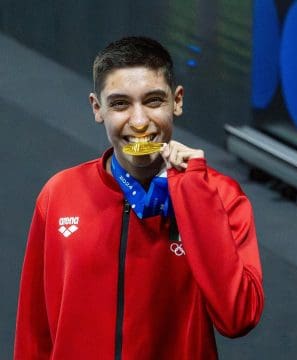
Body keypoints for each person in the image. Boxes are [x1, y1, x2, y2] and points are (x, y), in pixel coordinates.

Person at [14, 36, 264, 359]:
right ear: (97, 108)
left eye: (153, 101)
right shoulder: (58, 195)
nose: (140, 122)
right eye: (120, 104)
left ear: (177, 101)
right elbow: (34, 333)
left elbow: (238, 317)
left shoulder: (221, 196)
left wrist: (195, 195)